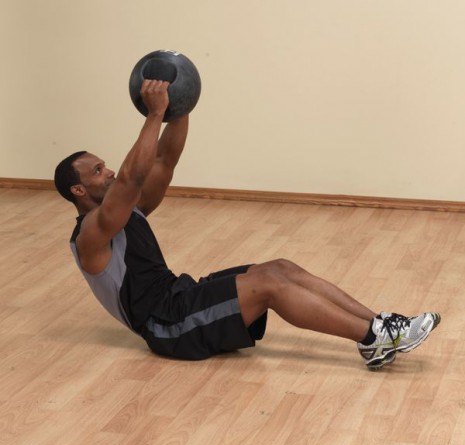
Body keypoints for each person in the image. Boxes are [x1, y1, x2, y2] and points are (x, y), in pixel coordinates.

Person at [54, 79, 440, 370]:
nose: (108, 172)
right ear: (78, 190)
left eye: (105, 166)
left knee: (280, 268)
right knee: (270, 286)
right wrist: (154, 115)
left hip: (180, 297)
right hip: (168, 326)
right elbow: (131, 178)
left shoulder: (128, 210)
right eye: (97, 171)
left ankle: (380, 325)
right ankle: (372, 337)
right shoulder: (90, 236)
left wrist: (181, 101)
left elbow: (164, 161)